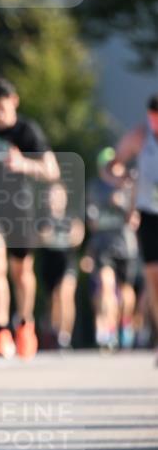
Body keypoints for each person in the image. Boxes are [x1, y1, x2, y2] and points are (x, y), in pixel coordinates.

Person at [0, 76, 60, 360]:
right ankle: (1, 332)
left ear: (14, 102)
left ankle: (25, 324)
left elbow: (52, 170)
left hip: (19, 208)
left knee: (21, 272)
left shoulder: (26, 131)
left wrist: (23, 163)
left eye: (2, 107)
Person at [104, 94, 158, 356]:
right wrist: (123, 177)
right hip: (149, 214)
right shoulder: (140, 136)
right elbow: (110, 166)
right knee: (153, 279)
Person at [84, 147, 139, 350]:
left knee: (125, 290)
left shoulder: (129, 186)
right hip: (102, 244)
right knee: (106, 285)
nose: (111, 170)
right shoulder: (95, 187)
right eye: (107, 167)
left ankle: (124, 323)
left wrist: (124, 205)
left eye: (114, 166)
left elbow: (134, 219)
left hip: (125, 244)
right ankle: (108, 329)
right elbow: (92, 221)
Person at [37, 181, 85, 349]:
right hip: (50, 264)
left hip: (68, 262)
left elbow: (78, 237)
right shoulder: (42, 219)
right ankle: (55, 331)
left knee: (65, 293)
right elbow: (41, 238)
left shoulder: (72, 218)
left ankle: (65, 335)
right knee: (54, 299)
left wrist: (66, 236)